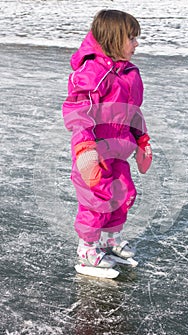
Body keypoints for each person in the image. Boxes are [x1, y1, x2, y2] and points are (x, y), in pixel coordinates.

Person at [62, 9, 152, 270]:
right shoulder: (92, 72)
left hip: (120, 150)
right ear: (113, 39)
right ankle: (87, 249)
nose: (136, 44)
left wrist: (142, 138)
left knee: (122, 194)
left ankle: (110, 240)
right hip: (94, 152)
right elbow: (79, 113)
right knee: (95, 199)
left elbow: (133, 112)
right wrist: (85, 149)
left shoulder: (130, 74)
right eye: (131, 38)